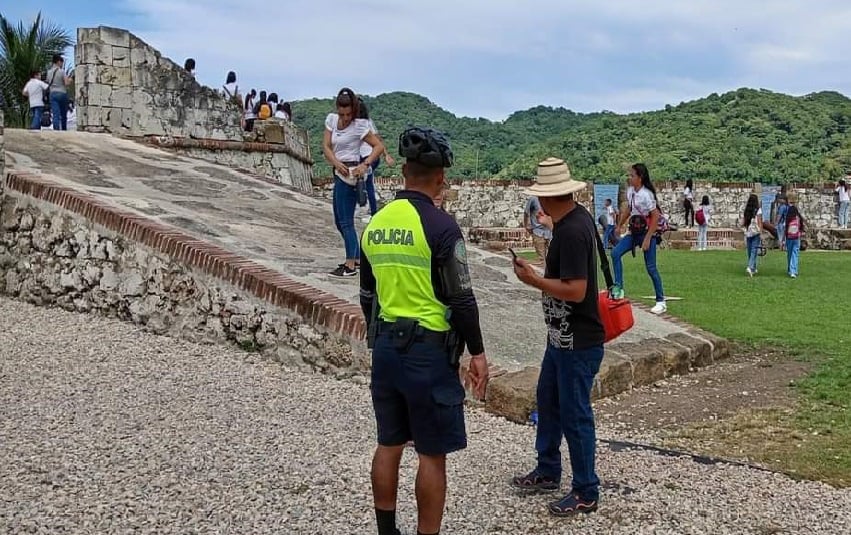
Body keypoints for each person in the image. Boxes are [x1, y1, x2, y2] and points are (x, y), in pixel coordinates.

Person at [360, 126, 489, 535]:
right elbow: (462, 298)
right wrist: (478, 352)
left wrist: (376, 338)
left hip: (385, 347)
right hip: (428, 353)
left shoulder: (375, 225)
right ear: (438, 178)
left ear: (405, 174)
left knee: (389, 443)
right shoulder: (442, 227)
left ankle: (386, 530)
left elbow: (367, 294)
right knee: (432, 455)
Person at [509, 157, 604, 518]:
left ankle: (586, 490)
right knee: (548, 401)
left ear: (546, 198)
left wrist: (534, 281)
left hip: (578, 341)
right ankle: (548, 469)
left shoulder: (573, 231)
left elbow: (577, 290)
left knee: (575, 413)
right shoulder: (570, 223)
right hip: (561, 337)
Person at [322, 88, 383, 277]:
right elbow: (326, 146)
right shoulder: (332, 120)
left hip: (351, 174)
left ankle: (350, 265)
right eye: (342, 114)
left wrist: (365, 165)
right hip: (338, 170)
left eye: (349, 114)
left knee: (346, 221)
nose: (346, 118)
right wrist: (335, 162)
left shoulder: (359, 126)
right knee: (338, 221)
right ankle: (355, 258)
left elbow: (378, 146)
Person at [611, 163, 667, 315]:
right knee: (615, 253)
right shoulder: (631, 192)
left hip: (647, 233)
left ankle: (661, 300)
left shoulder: (646, 195)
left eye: (632, 176)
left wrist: (648, 239)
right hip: (634, 232)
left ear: (640, 178)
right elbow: (629, 209)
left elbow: (655, 216)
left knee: (651, 267)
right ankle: (619, 287)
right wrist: (619, 225)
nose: (630, 178)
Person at [357, 97, 396, 222]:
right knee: (366, 183)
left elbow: (378, 140)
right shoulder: (354, 124)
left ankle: (371, 211)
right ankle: (371, 211)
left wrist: (386, 155)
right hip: (362, 157)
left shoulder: (366, 123)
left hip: (370, 157)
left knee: (365, 182)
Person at [46, 54, 72, 131]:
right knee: (63, 114)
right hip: (62, 93)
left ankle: (56, 130)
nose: (62, 64)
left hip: (53, 93)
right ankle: (64, 129)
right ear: (58, 62)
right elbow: (66, 83)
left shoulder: (49, 72)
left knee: (55, 114)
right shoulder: (62, 71)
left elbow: (48, 82)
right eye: (61, 63)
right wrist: (70, 80)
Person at [523, 196, 552, 262]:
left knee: (553, 257)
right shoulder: (534, 199)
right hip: (538, 231)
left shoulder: (552, 197)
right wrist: (526, 225)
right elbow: (526, 213)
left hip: (550, 231)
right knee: (541, 259)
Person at [742, 194, 763, 277]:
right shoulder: (758, 210)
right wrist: (761, 232)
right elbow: (759, 221)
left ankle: (753, 268)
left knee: (750, 250)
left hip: (748, 232)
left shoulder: (747, 210)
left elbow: (744, 222)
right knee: (754, 250)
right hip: (755, 232)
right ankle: (750, 267)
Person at [784, 204, 804, 278]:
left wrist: (784, 239)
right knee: (795, 254)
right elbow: (801, 227)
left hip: (789, 237)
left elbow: (786, 229)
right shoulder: (798, 218)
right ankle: (793, 271)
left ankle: (790, 269)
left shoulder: (788, 218)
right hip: (796, 238)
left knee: (789, 254)